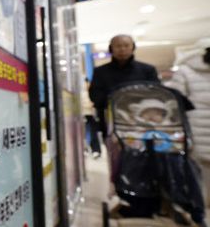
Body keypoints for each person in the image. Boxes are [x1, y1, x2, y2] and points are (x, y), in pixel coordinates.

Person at [166, 39, 210, 207]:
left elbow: (176, 102)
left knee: (198, 169)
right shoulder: (185, 71)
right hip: (195, 126)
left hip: (195, 125)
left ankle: (200, 206)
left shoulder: (184, 71)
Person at [88, 34, 159, 136]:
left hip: (143, 121)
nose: (122, 49)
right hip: (111, 122)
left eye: (126, 45)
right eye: (118, 46)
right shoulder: (100, 72)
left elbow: (156, 94)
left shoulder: (148, 70)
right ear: (111, 49)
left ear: (133, 47)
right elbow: (95, 96)